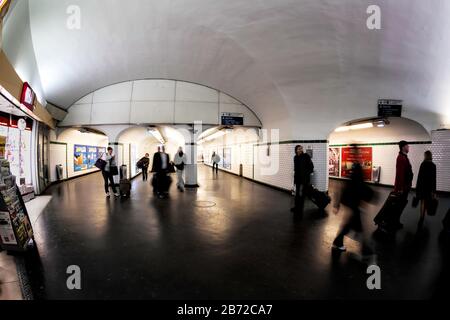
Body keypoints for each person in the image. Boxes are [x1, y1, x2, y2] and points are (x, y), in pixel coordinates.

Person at [332, 162, 375, 258]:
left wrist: (337, 205)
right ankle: (364, 250)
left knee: (350, 227)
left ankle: (338, 242)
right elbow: (366, 192)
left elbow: (342, 192)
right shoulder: (358, 181)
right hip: (354, 208)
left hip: (352, 208)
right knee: (354, 228)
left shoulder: (351, 181)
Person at [392, 140, 414, 229]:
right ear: (403, 147)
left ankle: (396, 221)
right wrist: (400, 188)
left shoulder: (404, 157)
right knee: (399, 205)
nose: (408, 147)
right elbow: (400, 174)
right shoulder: (401, 158)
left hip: (405, 186)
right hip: (403, 187)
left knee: (401, 204)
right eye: (407, 146)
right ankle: (395, 221)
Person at [415, 151, 437, 227]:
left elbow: (419, 177)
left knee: (423, 202)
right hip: (429, 188)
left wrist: (417, 188)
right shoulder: (433, 165)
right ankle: (426, 213)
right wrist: (434, 191)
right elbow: (434, 179)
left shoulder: (423, 164)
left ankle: (421, 217)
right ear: (430, 156)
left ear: (425, 156)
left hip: (422, 187)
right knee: (428, 201)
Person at [291, 145, 314, 214]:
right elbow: (295, 169)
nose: (300, 150)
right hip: (298, 178)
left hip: (304, 179)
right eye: (298, 149)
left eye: (301, 149)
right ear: (296, 150)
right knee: (297, 193)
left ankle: (300, 209)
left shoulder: (306, 156)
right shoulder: (295, 157)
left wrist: (307, 174)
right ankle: (296, 207)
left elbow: (311, 166)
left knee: (302, 194)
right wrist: (294, 179)